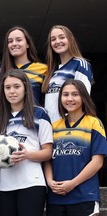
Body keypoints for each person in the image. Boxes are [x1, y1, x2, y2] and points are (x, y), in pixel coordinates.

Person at [44, 79, 107, 216]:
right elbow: (47, 159)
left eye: (75, 94)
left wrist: (72, 183)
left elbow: (97, 162)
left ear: (83, 97)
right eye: (65, 95)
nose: (70, 99)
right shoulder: (54, 127)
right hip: (56, 198)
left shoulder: (93, 123)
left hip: (84, 195)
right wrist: (49, 182)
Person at [0, 69, 53, 216]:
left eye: (16, 86)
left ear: (26, 88)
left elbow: (48, 152)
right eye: (7, 88)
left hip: (32, 183)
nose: (12, 91)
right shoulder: (0, 117)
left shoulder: (39, 113)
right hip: (6, 185)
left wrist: (27, 155)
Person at [42, 25, 93, 123]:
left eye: (62, 37)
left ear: (71, 39)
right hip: (50, 127)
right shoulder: (51, 71)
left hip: (69, 126)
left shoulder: (80, 64)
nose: (57, 41)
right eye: (53, 39)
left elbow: (83, 97)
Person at [0, 26, 47, 105]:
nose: (14, 44)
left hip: (35, 116)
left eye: (19, 40)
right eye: (10, 41)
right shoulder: (3, 70)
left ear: (28, 44)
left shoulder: (43, 69)